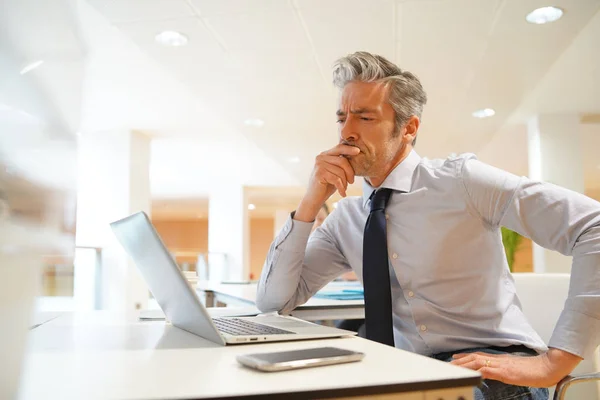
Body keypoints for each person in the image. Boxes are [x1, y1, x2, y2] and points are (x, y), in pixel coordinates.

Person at [256, 51, 600, 400]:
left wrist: (555, 362)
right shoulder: (347, 219)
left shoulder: (463, 182)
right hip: (411, 373)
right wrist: (309, 204)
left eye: (364, 117)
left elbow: (594, 226)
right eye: (342, 117)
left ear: (408, 128)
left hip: (494, 367)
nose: (346, 132)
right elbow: (273, 304)